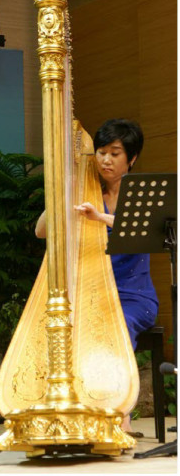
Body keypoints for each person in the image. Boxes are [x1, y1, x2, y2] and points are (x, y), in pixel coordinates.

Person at [35, 119, 158, 432]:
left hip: (133, 296)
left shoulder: (140, 195)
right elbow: (41, 231)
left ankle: (119, 417)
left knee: (116, 327)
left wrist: (99, 217)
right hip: (92, 292)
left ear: (131, 158)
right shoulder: (86, 191)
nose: (106, 159)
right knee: (61, 328)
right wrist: (63, 189)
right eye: (101, 152)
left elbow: (143, 231)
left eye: (115, 153)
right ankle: (78, 413)